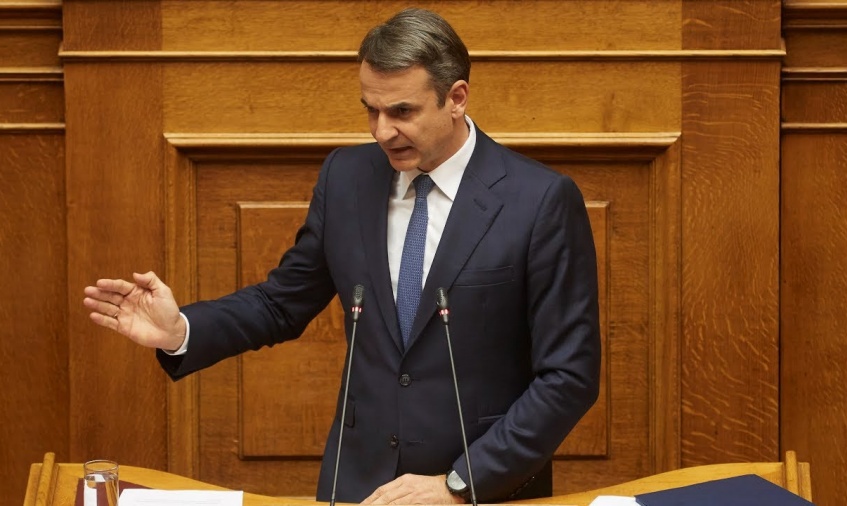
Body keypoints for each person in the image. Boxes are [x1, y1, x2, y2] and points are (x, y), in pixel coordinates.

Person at [83, 7, 600, 505]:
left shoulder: (539, 201)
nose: (381, 131)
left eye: (402, 112)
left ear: (456, 98)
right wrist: (181, 331)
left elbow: (568, 377)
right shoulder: (347, 178)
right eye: (371, 110)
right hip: (358, 487)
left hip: (483, 490)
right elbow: (281, 303)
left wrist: (459, 484)